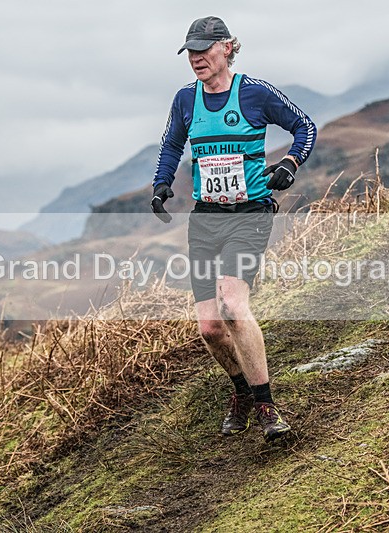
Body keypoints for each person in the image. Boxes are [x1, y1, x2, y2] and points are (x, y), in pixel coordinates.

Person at [151, 16, 316, 442]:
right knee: (209, 327)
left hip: (250, 214)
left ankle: (267, 406)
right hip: (205, 219)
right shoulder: (186, 100)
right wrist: (161, 184)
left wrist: (289, 164)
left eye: (204, 50)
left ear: (226, 47)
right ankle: (241, 392)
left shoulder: (256, 93)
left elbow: (305, 127)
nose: (196, 59)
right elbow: (172, 144)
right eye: (190, 52)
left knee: (232, 306)